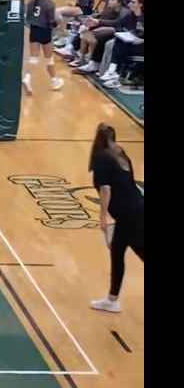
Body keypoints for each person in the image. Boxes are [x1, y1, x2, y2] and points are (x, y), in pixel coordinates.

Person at [88, 123, 143, 313]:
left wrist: (103, 217)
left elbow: (105, 189)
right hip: (136, 208)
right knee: (117, 252)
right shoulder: (120, 152)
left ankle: (112, 300)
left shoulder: (101, 158)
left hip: (129, 214)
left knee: (134, 251)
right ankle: (112, 299)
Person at [23, 0, 65, 94]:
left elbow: (28, 18)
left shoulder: (31, 2)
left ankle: (27, 78)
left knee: (34, 58)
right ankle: (54, 81)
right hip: (45, 32)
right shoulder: (50, 4)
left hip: (33, 31)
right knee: (49, 59)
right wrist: (58, 25)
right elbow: (51, 22)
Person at [101, 0, 144, 88]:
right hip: (132, 43)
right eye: (130, 2)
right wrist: (99, 22)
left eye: (133, 2)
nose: (129, 4)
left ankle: (114, 71)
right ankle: (114, 73)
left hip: (142, 45)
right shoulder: (130, 15)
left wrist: (141, 40)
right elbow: (118, 24)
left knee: (120, 44)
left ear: (140, 4)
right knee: (119, 40)